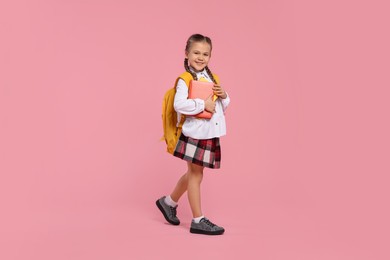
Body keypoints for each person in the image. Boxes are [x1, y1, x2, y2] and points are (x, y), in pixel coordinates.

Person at [156, 34, 230, 235]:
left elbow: (219, 107)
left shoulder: (212, 77)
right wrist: (201, 104)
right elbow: (179, 104)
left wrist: (224, 97)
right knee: (196, 175)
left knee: (194, 174)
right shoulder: (185, 79)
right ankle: (198, 220)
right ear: (187, 53)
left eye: (205, 54)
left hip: (208, 132)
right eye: (196, 52)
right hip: (194, 133)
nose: (200, 57)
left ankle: (168, 202)